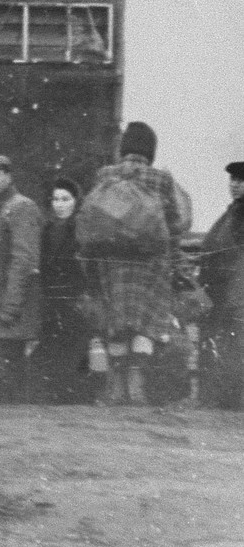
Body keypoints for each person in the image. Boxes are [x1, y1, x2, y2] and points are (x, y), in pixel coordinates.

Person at [80, 122, 189, 406]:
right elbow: (176, 222)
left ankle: (116, 389)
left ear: (123, 148)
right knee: (144, 327)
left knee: (116, 324)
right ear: (150, 151)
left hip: (112, 264)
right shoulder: (161, 179)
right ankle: (136, 389)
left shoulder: (105, 175)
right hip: (150, 266)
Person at [0, 156, 44, 403]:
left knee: (6, 385)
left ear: (9, 176)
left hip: (9, 309)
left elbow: (24, 261)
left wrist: (11, 306)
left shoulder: (21, 208)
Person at [34, 178, 93, 405]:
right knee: (52, 344)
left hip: (74, 297)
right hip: (51, 296)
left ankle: (77, 395)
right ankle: (55, 393)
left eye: (65, 199)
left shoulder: (81, 229)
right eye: (56, 199)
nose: (59, 204)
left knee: (75, 345)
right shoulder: (46, 229)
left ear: (76, 202)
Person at [197, 162, 244, 408]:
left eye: (241, 180)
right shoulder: (231, 214)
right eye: (233, 180)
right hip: (223, 294)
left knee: (235, 348)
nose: (235, 185)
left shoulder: (237, 215)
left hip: (236, 296)